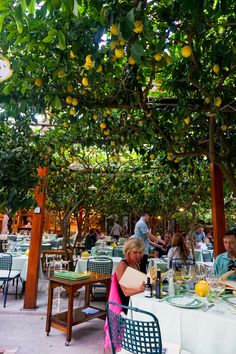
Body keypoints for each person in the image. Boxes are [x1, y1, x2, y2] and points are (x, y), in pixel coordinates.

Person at [116, 238, 145, 310]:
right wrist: (141, 289)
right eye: (135, 252)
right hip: (126, 305)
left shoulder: (136, 263)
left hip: (136, 299)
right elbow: (125, 292)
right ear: (128, 251)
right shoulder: (123, 265)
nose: (138, 256)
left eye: (140, 253)